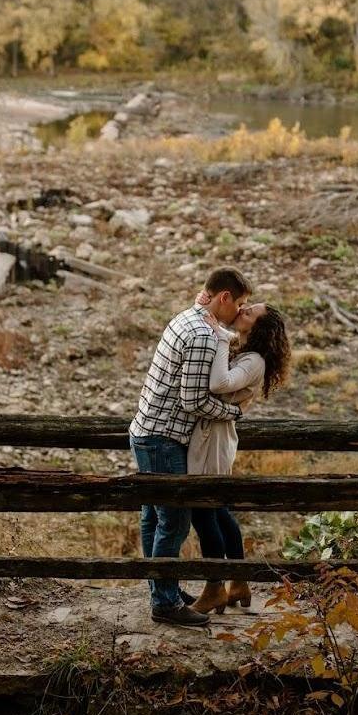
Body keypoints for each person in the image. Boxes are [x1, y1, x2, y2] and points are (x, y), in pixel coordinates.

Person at [128, 267, 252, 628]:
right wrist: (233, 412)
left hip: (145, 430)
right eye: (239, 303)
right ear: (224, 297)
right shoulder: (201, 335)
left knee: (153, 516)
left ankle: (161, 590)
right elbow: (194, 400)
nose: (239, 311)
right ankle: (164, 603)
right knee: (174, 522)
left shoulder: (189, 317)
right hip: (165, 437)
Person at [186, 303, 291, 614]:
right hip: (214, 437)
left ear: (258, 329)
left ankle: (214, 587)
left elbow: (219, 384)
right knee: (219, 512)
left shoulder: (255, 361)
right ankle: (239, 582)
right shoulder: (246, 352)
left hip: (214, 441)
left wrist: (219, 336)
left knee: (203, 513)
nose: (242, 309)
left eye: (249, 312)